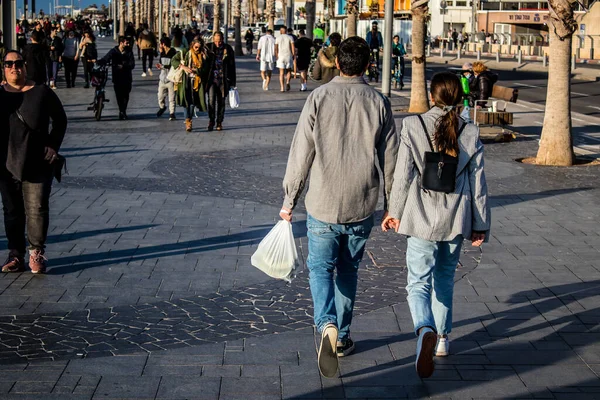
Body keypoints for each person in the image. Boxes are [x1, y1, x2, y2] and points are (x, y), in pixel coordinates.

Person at [280, 36, 399, 378]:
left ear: (335, 63)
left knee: (319, 269)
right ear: (367, 65)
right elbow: (390, 160)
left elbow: (300, 154)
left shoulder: (318, 97)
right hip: (362, 203)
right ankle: (343, 337)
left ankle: (326, 324)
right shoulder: (379, 101)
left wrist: (290, 201)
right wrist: (392, 206)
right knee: (348, 270)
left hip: (322, 201)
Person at [382, 72, 490, 379]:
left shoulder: (414, 126)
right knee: (444, 278)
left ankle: (424, 328)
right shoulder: (470, 130)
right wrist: (480, 224)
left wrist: (394, 211)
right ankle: (442, 339)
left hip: (420, 217)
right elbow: (478, 183)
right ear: (459, 98)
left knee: (418, 281)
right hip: (456, 217)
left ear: (432, 96)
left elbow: (402, 174)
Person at [0, 50, 68, 274]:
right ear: (4, 68)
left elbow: (60, 119)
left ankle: (36, 252)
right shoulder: (0, 94)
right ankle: (15, 254)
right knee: (12, 211)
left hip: (37, 162)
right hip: (6, 163)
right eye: (9, 64)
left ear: (25, 66)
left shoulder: (41, 92)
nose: (14, 67)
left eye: (18, 63)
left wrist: (52, 145)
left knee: (37, 209)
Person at [171, 38, 212, 133]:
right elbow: (174, 60)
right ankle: (187, 121)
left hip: (197, 82)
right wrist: (184, 67)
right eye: (196, 47)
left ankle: (189, 119)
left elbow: (205, 69)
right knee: (186, 101)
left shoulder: (203, 55)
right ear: (192, 45)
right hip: (185, 81)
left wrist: (196, 71)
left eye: (199, 47)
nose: (197, 49)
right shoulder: (185, 52)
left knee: (193, 102)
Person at [100, 36, 135, 120]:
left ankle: (123, 110)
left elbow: (132, 64)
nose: (128, 44)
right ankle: (122, 111)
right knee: (119, 96)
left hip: (127, 77)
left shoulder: (129, 51)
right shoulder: (114, 51)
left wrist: (124, 66)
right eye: (126, 42)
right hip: (117, 77)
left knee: (126, 95)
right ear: (121, 43)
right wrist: (99, 62)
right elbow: (106, 58)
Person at [207, 31, 236, 131]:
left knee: (221, 102)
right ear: (213, 39)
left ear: (222, 40)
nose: (217, 43)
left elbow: (232, 66)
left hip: (223, 80)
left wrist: (233, 82)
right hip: (211, 80)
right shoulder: (208, 48)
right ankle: (211, 120)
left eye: (219, 41)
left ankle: (219, 122)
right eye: (215, 41)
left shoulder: (228, 49)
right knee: (211, 101)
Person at [156, 37, 177, 121]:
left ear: (163, 44)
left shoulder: (173, 53)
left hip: (170, 79)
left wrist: (163, 66)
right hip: (162, 78)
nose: (159, 45)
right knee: (160, 96)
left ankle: (172, 113)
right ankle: (162, 107)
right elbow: (161, 63)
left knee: (171, 98)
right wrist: (160, 66)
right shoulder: (162, 53)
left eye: (160, 44)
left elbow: (173, 65)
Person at [275, 26, 295, 92]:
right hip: (288, 56)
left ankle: (282, 87)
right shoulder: (290, 37)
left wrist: (276, 55)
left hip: (280, 56)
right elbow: (292, 47)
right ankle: (288, 82)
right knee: (288, 71)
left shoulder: (278, 38)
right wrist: (293, 54)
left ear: (281, 31)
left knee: (281, 73)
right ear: (286, 31)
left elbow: (276, 48)